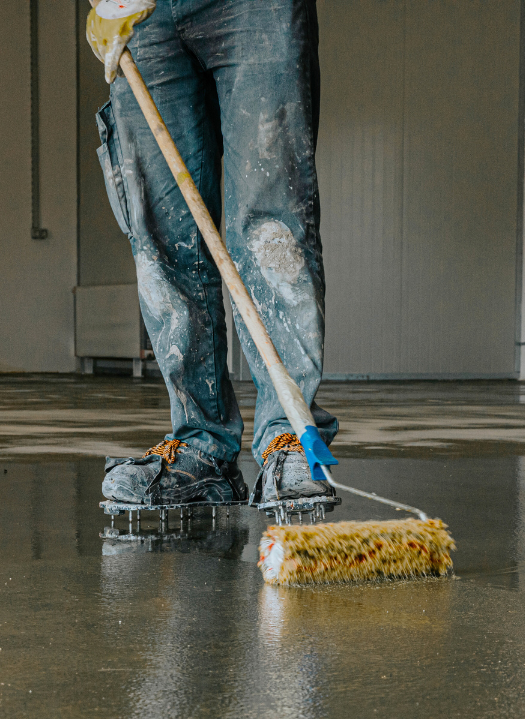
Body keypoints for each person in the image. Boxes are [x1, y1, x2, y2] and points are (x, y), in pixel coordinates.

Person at [86, 0, 337, 509]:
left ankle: (291, 436)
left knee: (272, 221)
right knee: (164, 234)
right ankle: (200, 447)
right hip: (141, 12)